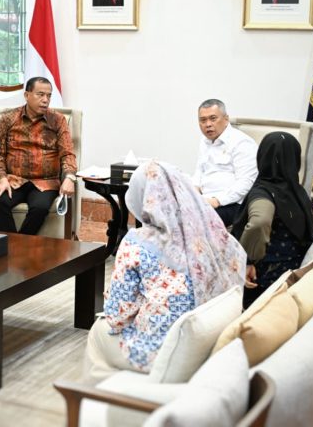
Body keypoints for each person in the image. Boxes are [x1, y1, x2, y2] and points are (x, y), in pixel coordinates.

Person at [84, 161, 246, 381]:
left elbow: (117, 317)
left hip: (159, 350)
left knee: (99, 331)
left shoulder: (137, 242)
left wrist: (116, 298)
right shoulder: (214, 237)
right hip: (207, 345)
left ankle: (99, 393)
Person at [232, 132, 313, 308]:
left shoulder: (264, 192)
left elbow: (260, 222)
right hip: (293, 274)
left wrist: (248, 261)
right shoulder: (298, 192)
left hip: (264, 281)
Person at [0, 77, 77, 235]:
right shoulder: (8, 119)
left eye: (48, 96)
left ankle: (17, 245)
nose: (45, 100)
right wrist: (2, 179)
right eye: (40, 94)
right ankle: (14, 244)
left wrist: (70, 177)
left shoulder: (57, 120)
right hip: (15, 180)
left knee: (40, 208)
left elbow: (68, 153)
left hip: (45, 182)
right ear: (26, 95)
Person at [192, 99, 258, 227]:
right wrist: (193, 191)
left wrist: (216, 201)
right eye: (203, 120)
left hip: (230, 204)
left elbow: (246, 182)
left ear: (226, 119)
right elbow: (199, 171)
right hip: (205, 200)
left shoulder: (242, 143)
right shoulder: (204, 141)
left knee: (193, 222)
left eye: (213, 119)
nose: (208, 124)